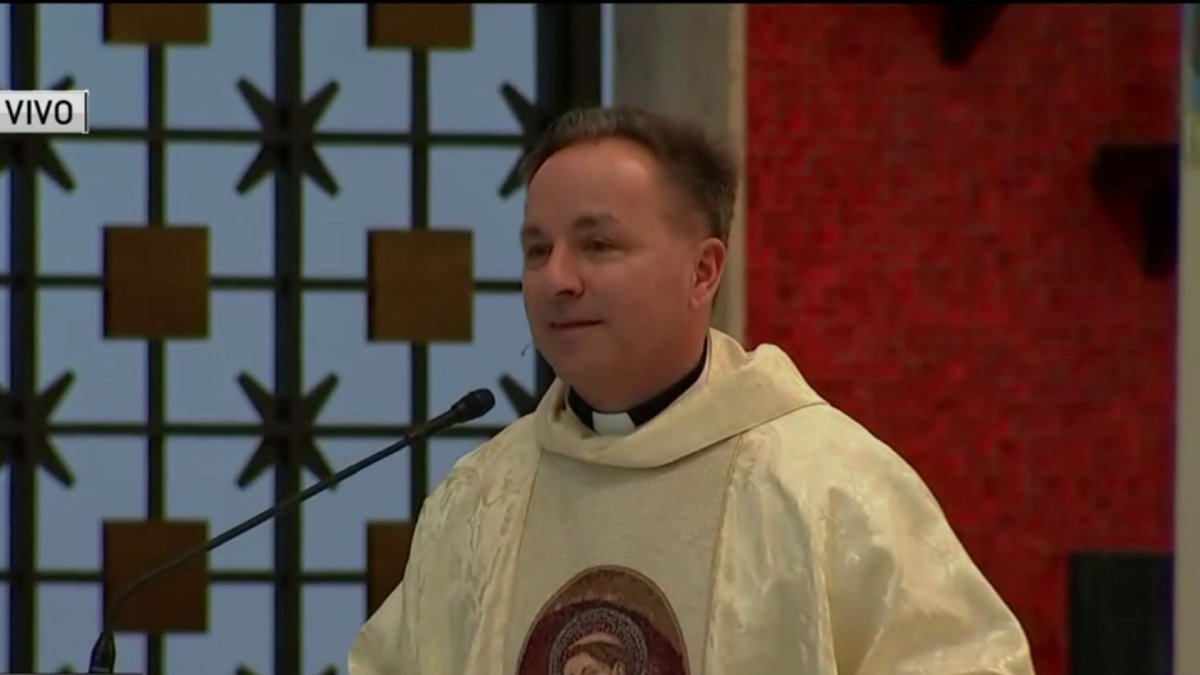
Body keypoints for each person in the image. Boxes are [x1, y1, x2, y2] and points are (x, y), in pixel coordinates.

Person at [347, 106, 1035, 675]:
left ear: (703, 271)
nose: (557, 278)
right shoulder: (481, 501)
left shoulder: (824, 486)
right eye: (536, 249)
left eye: (598, 245)